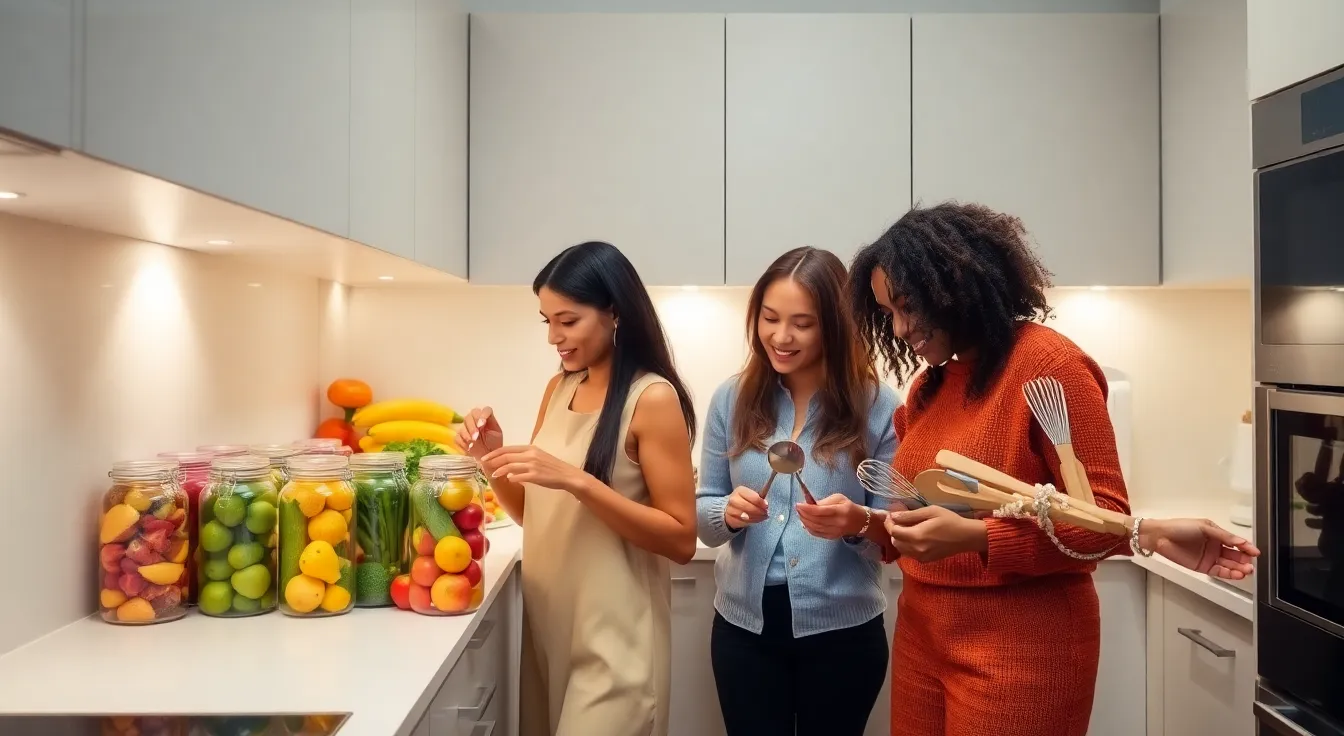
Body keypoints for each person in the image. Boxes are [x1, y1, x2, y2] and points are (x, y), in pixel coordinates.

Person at [847, 201, 1260, 736]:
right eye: (889, 314)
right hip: (923, 638)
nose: (900, 328)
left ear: (953, 284)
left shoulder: (1050, 366)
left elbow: (1102, 521)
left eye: (908, 306)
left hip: (1022, 650)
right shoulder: (928, 389)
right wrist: (868, 523)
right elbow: (924, 520)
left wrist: (978, 538)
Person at [453, 241, 699, 736]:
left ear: (614, 313)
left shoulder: (650, 398)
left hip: (616, 644)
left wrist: (579, 482)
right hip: (549, 632)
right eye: (547, 321)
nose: (554, 337)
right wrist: (491, 457)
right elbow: (532, 514)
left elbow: (680, 539)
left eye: (568, 321)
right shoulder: (559, 387)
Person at [696, 247, 900, 736]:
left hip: (845, 635)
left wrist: (856, 524)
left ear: (835, 325)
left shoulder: (879, 407)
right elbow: (703, 517)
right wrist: (728, 511)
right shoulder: (732, 397)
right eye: (769, 318)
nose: (780, 337)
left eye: (802, 324)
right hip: (745, 631)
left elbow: (895, 536)